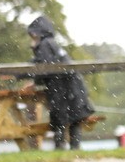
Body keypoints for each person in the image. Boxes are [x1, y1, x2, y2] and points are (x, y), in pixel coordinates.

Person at [27, 15, 94, 150]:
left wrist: (35, 81)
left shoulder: (45, 44)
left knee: (60, 120)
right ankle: (74, 149)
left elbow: (45, 68)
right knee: (74, 119)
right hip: (71, 87)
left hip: (62, 88)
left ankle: (60, 148)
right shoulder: (52, 43)